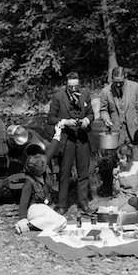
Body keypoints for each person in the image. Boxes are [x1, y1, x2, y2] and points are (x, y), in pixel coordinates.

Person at [47, 72, 94, 215]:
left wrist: (86, 120)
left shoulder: (85, 94)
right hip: (67, 138)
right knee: (64, 172)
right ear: (66, 85)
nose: (73, 89)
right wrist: (65, 122)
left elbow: (91, 113)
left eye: (76, 86)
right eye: (70, 86)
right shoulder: (58, 97)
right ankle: (62, 205)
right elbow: (50, 118)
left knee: (83, 172)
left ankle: (84, 203)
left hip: (82, 137)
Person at [14, 122, 67, 234]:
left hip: (44, 208)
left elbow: (50, 151)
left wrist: (57, 134)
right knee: (59, 221)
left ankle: (33, 226)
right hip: (34, 209)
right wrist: (22, 219)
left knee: (60, 221)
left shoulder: (42, 170)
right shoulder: (29, 183)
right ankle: (27, 226)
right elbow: (23, 204)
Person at [100, 66, 138, 161]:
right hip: (116, 132)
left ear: (125, 77)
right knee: (117, 161)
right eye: (115, 82)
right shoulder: (105, 92)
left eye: (120, 82)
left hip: (134, 131)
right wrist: (106, 119)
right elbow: (103, 110)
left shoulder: (135, 87)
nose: (118, 85)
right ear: (111, 79)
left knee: (136, 162)